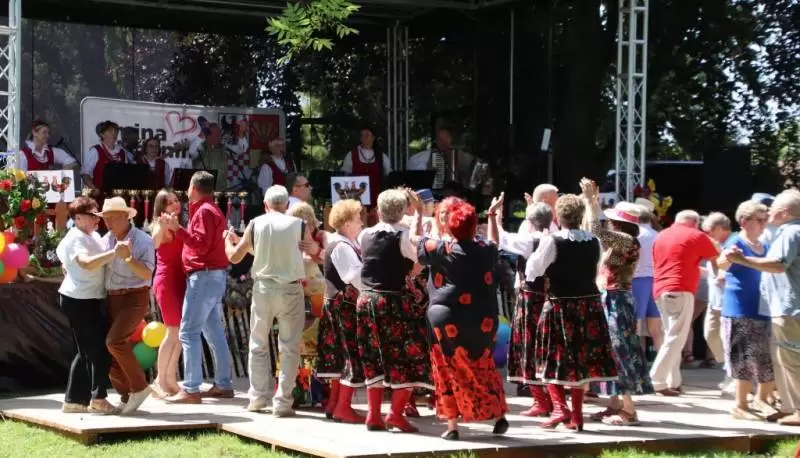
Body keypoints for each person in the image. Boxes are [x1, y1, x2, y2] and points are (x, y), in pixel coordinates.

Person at [410, 195, 509, 440]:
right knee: (484, 363)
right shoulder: (485, 250)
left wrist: (419, 212)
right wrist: (492, 215)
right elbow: (495, 242)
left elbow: (414, 239)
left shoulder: (442, 249)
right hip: (483, 318)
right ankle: (498, 415)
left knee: (447, 367)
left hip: (447, 317)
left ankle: (453, 425)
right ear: (474, 227)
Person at [525, 193, 618, 432]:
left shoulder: (553, 241)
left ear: (558, 216)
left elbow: (533, 270)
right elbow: (596, 269)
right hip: (588, 305)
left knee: (552, 356)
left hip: (561, 304)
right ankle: (576, 415)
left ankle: (560, 408)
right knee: (580, 360)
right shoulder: (593, 241)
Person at [225, 185, 317, 416]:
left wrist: (228, 241)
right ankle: (283, 402)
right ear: (286, 205)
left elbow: (234, 257)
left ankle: (257, 398)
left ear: (266, 205)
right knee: (289, 347)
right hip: (291, 289)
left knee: (258, 344)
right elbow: (311, 251)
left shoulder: (256, 223)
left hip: (264, 289)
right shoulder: (299, 225)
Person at [356, 189, 432, 433]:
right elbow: (420, 261)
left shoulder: (365, 234)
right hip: (392, 300)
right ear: (402, 211)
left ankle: (373, 414)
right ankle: (395, 414)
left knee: (373, 356)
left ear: (379, 211)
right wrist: (411, 271)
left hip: (366, 299)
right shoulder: (402, 236)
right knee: (408, 355)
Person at [723, 189, 800, 426]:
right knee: (781, 360)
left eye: (771, 210)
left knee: (791, 361)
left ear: (784, 212)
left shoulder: (790, 232)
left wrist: (743, 260)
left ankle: (796, 410)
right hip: (776, 309)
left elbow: (778, 264)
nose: (768, 214)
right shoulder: (788, 232)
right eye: (761, 216)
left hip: (788, 308)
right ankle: (788, 407)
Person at [581, 181, 653, 426]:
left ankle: (629, 410)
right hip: (613, 298)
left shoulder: (626, 240)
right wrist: (592, 203)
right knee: (613, 352)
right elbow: (594, 230)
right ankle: (615, 404)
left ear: (618, 223)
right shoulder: (623, 240)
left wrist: (590, 202)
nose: (609, 223)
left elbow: (596, 231)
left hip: (617, 300)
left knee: (620, 351)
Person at [161, 171, 234, 403]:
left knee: (188, 332)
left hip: (203, 276)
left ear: (193, 188)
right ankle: (223, 384)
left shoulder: (204, 211)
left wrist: (178, 229)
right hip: (212, 276)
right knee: (213, 332)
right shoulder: (211, 209)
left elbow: (200, 245)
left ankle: (191, 388)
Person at [488, 199, 552, 417]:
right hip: (551, 299)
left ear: (530, 222)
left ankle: (541, 401)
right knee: (548, 347)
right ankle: (551, 399)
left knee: (528, 345)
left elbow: (499, 239)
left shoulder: (529, 242)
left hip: (531, 300)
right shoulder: (555, 238)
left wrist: (494, 216)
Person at [56, 196, 117, 414]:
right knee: (97, 349)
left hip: (88, 298)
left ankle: (75, 400)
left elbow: (64, 257)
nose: (97, 219)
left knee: (88, 350)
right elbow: (86, 263)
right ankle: (97, 399)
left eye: (97, 214)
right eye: (92, 215)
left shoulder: (91, 235)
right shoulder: (76, 237)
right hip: (79, 300)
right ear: (78, 218)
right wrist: (114, 253)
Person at [650, 210, 719, 396]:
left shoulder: (662, 235)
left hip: (660, 289)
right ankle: (657, 380)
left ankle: (673, 381)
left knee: (672, 336)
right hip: (680, 289)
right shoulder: (697, 235)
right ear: (695, 222)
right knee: (675, 338)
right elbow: (717, 260)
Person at [717, 200, 776, 420]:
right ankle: (740, 406)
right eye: (759, 220)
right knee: (743, 358)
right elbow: (722, 262)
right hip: (740, 309)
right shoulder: (736, 241)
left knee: (765, 358)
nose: (763, 224)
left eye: (765, 220)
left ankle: (762, 399)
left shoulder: (763, 244)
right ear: (743, 221)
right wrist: (727, 257)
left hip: (762, 308)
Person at [99, 197, 156, 414]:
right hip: (112, 297)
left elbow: (147, 274)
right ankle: (126, 396)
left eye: (112, 217)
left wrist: (129, 258)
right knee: (110, 350)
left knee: (114, 342)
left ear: (126, 216)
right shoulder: (106, 239)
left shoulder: (143, 240)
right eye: (105, 218)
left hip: (134, 297)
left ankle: (139, 388)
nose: (108, 222)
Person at [314, 199, 367, 423]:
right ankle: (343, 407)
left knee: (339, 355)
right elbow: (355, 277)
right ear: (346, 224)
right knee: (349, 354)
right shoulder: (342, 246)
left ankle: (335, 403)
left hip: (337, 304)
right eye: (357, 219)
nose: (361, 223)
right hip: (343, 306)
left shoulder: (343, 242)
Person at [150, 190, 185, 397]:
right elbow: (154, 243)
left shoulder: (179, 223)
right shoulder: (159, 224)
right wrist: (163, 227)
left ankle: (169, 377)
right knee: (172, 331)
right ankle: (160, 380)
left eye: (176, 200)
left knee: (180, 333)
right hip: (166, 281)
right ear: (161, 207)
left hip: (180, 280)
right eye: (169, 202)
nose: (175, 204)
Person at [406, 127, 479, 196]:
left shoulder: (462, 157)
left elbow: (472, 176)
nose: (442, 143)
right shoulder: (423, 158)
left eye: (445, 139)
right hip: (436, 196)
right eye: (440, 140)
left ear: (451, 140)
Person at [632, 199, 662, 353]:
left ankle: (638, 363)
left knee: (636, 327)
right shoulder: (659, 235)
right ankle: (665, 364)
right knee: (656, 329)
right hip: (656, 281)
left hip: (638, 280)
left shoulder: (635, 235)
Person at [341, 127, 392, 208]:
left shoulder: (381, 156)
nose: (364, 137)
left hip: (377, 198)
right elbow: (345, 176)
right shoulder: (352, 155)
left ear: (373, 137)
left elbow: (389, 174)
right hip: (357, 198)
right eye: (362, 135)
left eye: (367, 135)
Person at [81, 121, 131, 192]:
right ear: (102, 134)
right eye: (110, 131)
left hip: (119, 194)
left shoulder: (122, 152)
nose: (113, 134)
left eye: (116, 131)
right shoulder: (95, 151)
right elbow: (85, 174)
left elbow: (126, 175)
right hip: (100, 194)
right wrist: (93, 188)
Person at [190, 123, 228, 192]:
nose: (220, 136)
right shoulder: (199, 147)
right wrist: (202, 135)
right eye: (217, 134)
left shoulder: (223, 148)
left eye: (220, 133)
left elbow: (240, 150)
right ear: (209, 135)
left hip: (220, 190)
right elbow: (192, 151)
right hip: (202, 191)